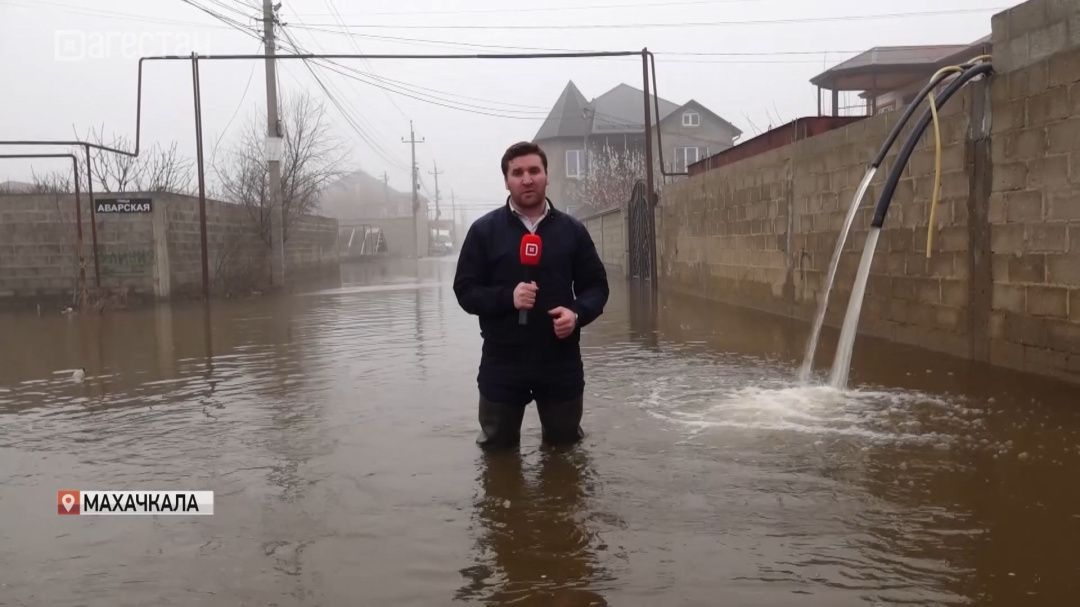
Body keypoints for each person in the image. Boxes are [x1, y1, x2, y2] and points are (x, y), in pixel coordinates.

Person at [453, 141, 609, 448]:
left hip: (560, 358)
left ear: (546, 176)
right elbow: (465, 290)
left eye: (534, 171)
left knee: (565, 449)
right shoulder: (484, 231)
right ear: (506, 181)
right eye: (518, 173)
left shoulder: (573, 231)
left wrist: (576, 314)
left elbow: (597, 287)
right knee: (497, 449)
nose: (527, 179)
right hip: (502, 359)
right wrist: (507, 298)